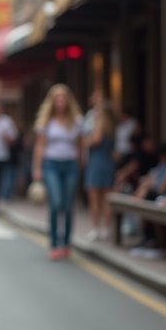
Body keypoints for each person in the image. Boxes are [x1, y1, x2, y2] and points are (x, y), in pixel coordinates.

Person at [32, 84, 84, 260]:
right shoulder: (47, 121)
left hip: (71, 165)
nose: (60, 102)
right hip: (51, 164)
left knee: (69, 206)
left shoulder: (77, 121)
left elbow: (80, 145)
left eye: (63, 99)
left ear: (68, 101)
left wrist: (82, 165)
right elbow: (40, 146)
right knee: (57, 203)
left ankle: (66, 242)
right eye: (57, 99)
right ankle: (54, 243)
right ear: (52, 102)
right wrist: (37, 168)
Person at [84, 101, 117, 240]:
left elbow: (94, 141)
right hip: (108, 163)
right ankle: (107, 229)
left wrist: (86, 140)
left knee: (95, 200)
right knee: (106, 199)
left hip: (97, 163)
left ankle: (96, 228)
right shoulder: (113, 128)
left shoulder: (99, 127)